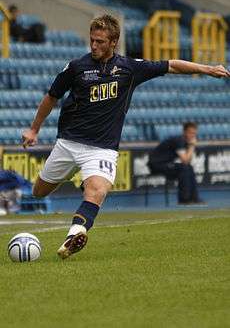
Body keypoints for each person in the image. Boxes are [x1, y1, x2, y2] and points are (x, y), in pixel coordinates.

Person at [21, 14, 230, 259]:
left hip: (102, 149)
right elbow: (51, 96)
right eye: (92, 40)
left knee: (97, 190)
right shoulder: (77, 67)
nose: (94, 46)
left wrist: (207, 69)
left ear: (114, 42)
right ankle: (77, 193)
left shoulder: (129, 69)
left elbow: (171, 64)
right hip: (68, 143)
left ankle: (74, 234)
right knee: (39, 191)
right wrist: (34, 129)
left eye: (100, 41)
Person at [148, 122, 203, 205]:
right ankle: (184, 199)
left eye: (194, 133)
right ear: (184, 132)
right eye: (190, 133)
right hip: (156, 165)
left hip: (166, 164)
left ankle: (194, 198)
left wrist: (190, 146)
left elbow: (187, 161)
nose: (192, 135)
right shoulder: (179, 140)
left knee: (189, 168)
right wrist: (192, 146)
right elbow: (185, 160)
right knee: (184, 168)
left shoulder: (184, 142)